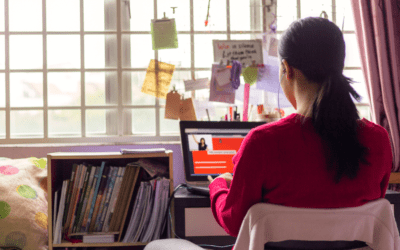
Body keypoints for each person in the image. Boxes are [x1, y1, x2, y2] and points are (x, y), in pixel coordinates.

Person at [207, 17, 393, 239]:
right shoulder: (378, 140)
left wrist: (218, 185)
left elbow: (234, 222)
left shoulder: (262, 143)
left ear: (287, 69)